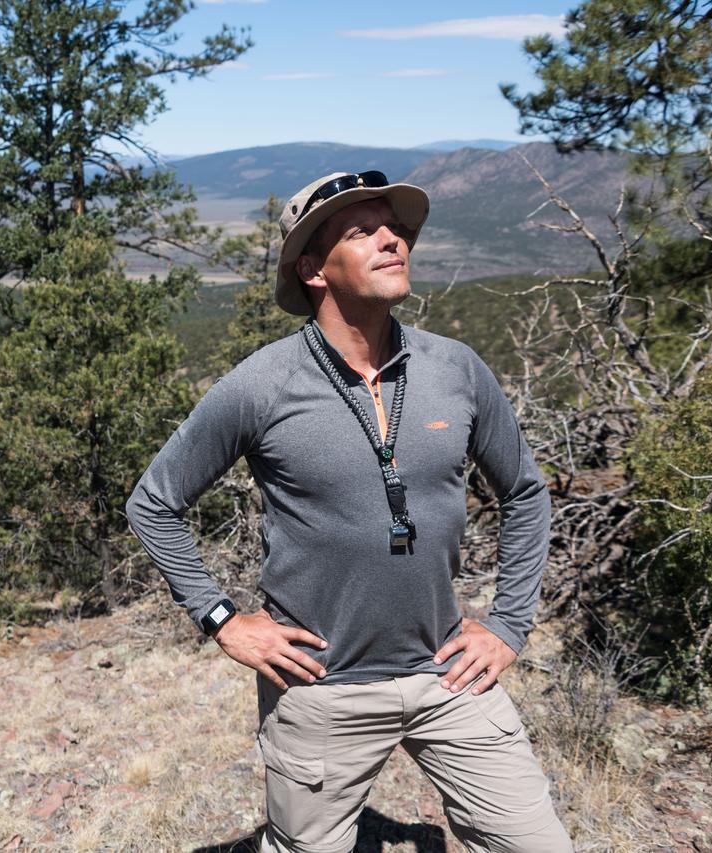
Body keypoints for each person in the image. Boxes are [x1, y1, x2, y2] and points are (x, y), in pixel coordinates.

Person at [124, 171, 574, 852]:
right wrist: (221, 620)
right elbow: (154, 503)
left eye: (393, 227)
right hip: (320, 687)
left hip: (448, 671)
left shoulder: (455, 367)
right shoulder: (263, 383)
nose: (392, 238)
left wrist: (509, 623)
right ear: (313, 268)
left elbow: (526, 492)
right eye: (362, 231)